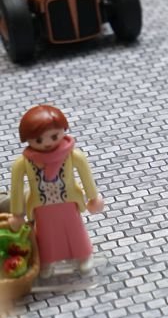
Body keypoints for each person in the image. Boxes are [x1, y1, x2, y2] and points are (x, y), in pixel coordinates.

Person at [8, 105, 104, 277]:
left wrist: (93, 197)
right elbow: (17, 187)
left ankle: (83, 255)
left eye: (54, 136)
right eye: (38, 140)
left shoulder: (72, 155)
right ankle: (47, 260)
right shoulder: (24, 163)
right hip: (41, 205)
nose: (47, 143)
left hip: (69, 201)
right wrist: (17, 213)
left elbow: (85, 175)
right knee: (46, 235)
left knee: (74, 230)